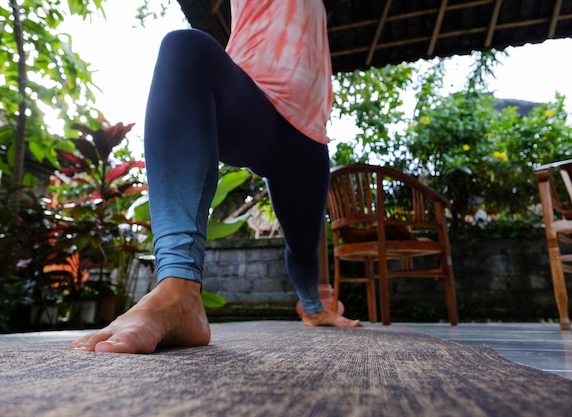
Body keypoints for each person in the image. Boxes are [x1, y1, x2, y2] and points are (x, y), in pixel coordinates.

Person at [69, 0, 361, 354]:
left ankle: (314, 310)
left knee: (303, 245)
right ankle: (178, 289)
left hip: (309, 137)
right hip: (251, 104)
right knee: (184, 46)